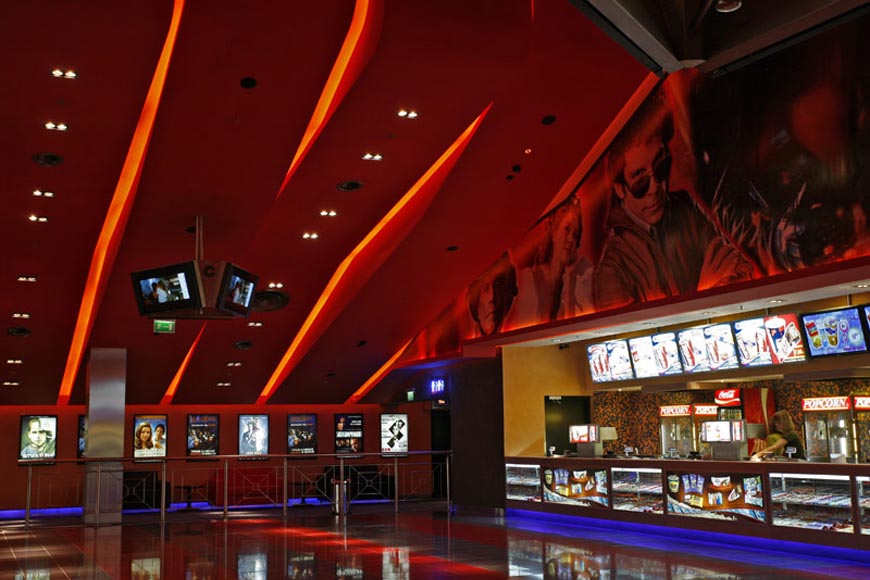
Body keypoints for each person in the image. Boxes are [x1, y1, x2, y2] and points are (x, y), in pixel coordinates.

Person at [593, 104, 755, 311]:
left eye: (661, 168)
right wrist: (702, 293)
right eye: (640, 182)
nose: (655, 188)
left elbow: (741, 267)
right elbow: (638, 329)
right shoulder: (611, 270)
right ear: (620, 189)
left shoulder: (685, 208)